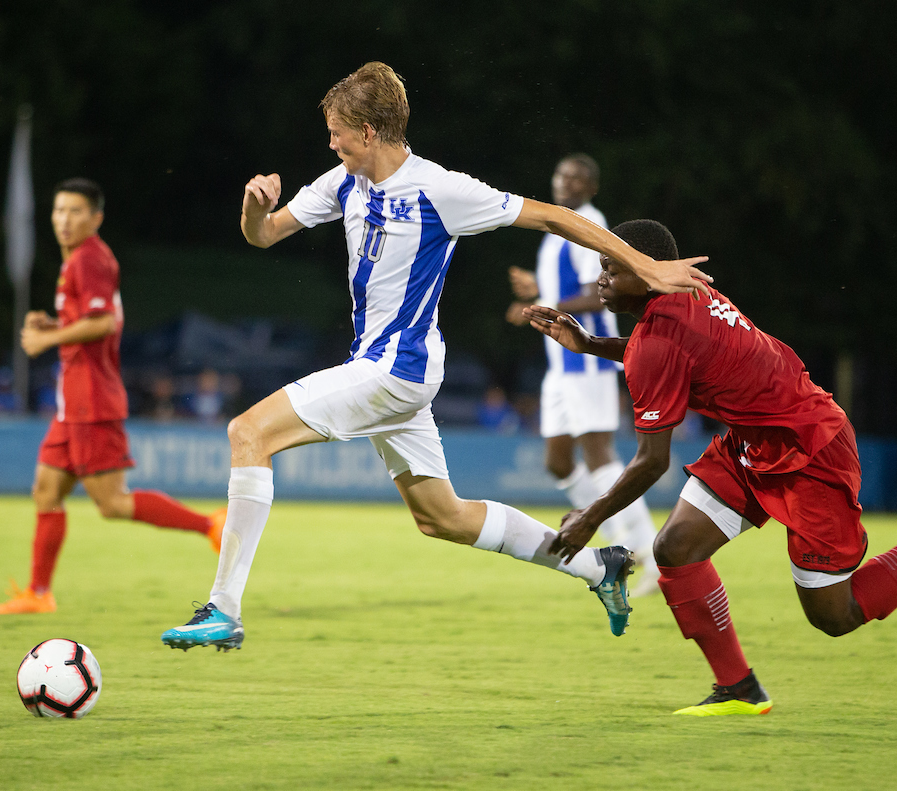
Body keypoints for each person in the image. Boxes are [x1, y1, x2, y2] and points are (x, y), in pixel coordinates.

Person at [159, 63, 710, 651]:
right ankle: (599, 568)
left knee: (249, 432)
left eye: (337, 131)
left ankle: (224, 608)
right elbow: (263, 235)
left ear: (369, 131)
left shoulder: (440, 189)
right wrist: (252, 206)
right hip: (394, 369)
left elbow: (553, 216)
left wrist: (645, 267)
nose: (331, 142)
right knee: (441, 518)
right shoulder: (343, 182)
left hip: (394, 370)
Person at [525, 219, 897, 716]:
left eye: (613, 267)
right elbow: (668, 351)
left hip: (811, 449)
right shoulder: (684, 294)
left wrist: (591, 516)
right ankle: (738, 689)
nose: (602, 279)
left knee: (836, 616)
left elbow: (652, 459)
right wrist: (592, 345)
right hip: (756, 441)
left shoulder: (658, 335)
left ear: (649, 267)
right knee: (675, 549)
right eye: (601, 266)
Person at [0, 179, 225, 615]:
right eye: (59, 211)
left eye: (75, 211)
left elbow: (103, 324)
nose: (64, 220)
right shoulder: (78, 261)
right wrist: (52, 323)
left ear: (95, 218)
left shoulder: (90, 258)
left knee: (112, 503)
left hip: (90, 401)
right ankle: (39, 594)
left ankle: (211, 525)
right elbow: (89, 320)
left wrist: (49, 337)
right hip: (70, 401)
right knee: (46, 490)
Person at [505, 154, 659, 595]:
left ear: (592, 187)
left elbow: (603, 289)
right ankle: (618, 543)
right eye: (560, 176)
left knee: (599, 453)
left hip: (587, 356)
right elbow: (569, 286)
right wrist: (538, 290)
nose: (565, 183)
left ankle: (648, 552)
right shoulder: (558, 228)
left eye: (576, 179)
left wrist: (543, 305)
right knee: (557, 462)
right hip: (560, 365)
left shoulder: (589, 224)